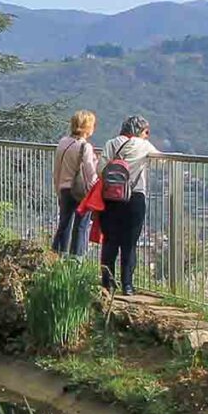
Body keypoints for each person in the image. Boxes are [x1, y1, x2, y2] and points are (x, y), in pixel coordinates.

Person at [98, 116, 161, 294]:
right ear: (140, 131)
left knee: (110, 241)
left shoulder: (111, 144)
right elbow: (161, 160)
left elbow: (100, 169)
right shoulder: (143, 145)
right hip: (135, 197)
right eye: (146, 131)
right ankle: (127, 285)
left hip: (110, 197)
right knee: (129, 243)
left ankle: (107, 283)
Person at [49, 110, 99, 257]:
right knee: (81, 226)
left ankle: (56, 256)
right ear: (87, 127)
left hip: (64, 189)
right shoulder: (85, 147)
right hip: (80, 191)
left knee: (64, 224)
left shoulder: (63, 142)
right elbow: (90, 172)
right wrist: (95, 189)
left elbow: (57, 168)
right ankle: (76, 259)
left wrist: (58, 188)